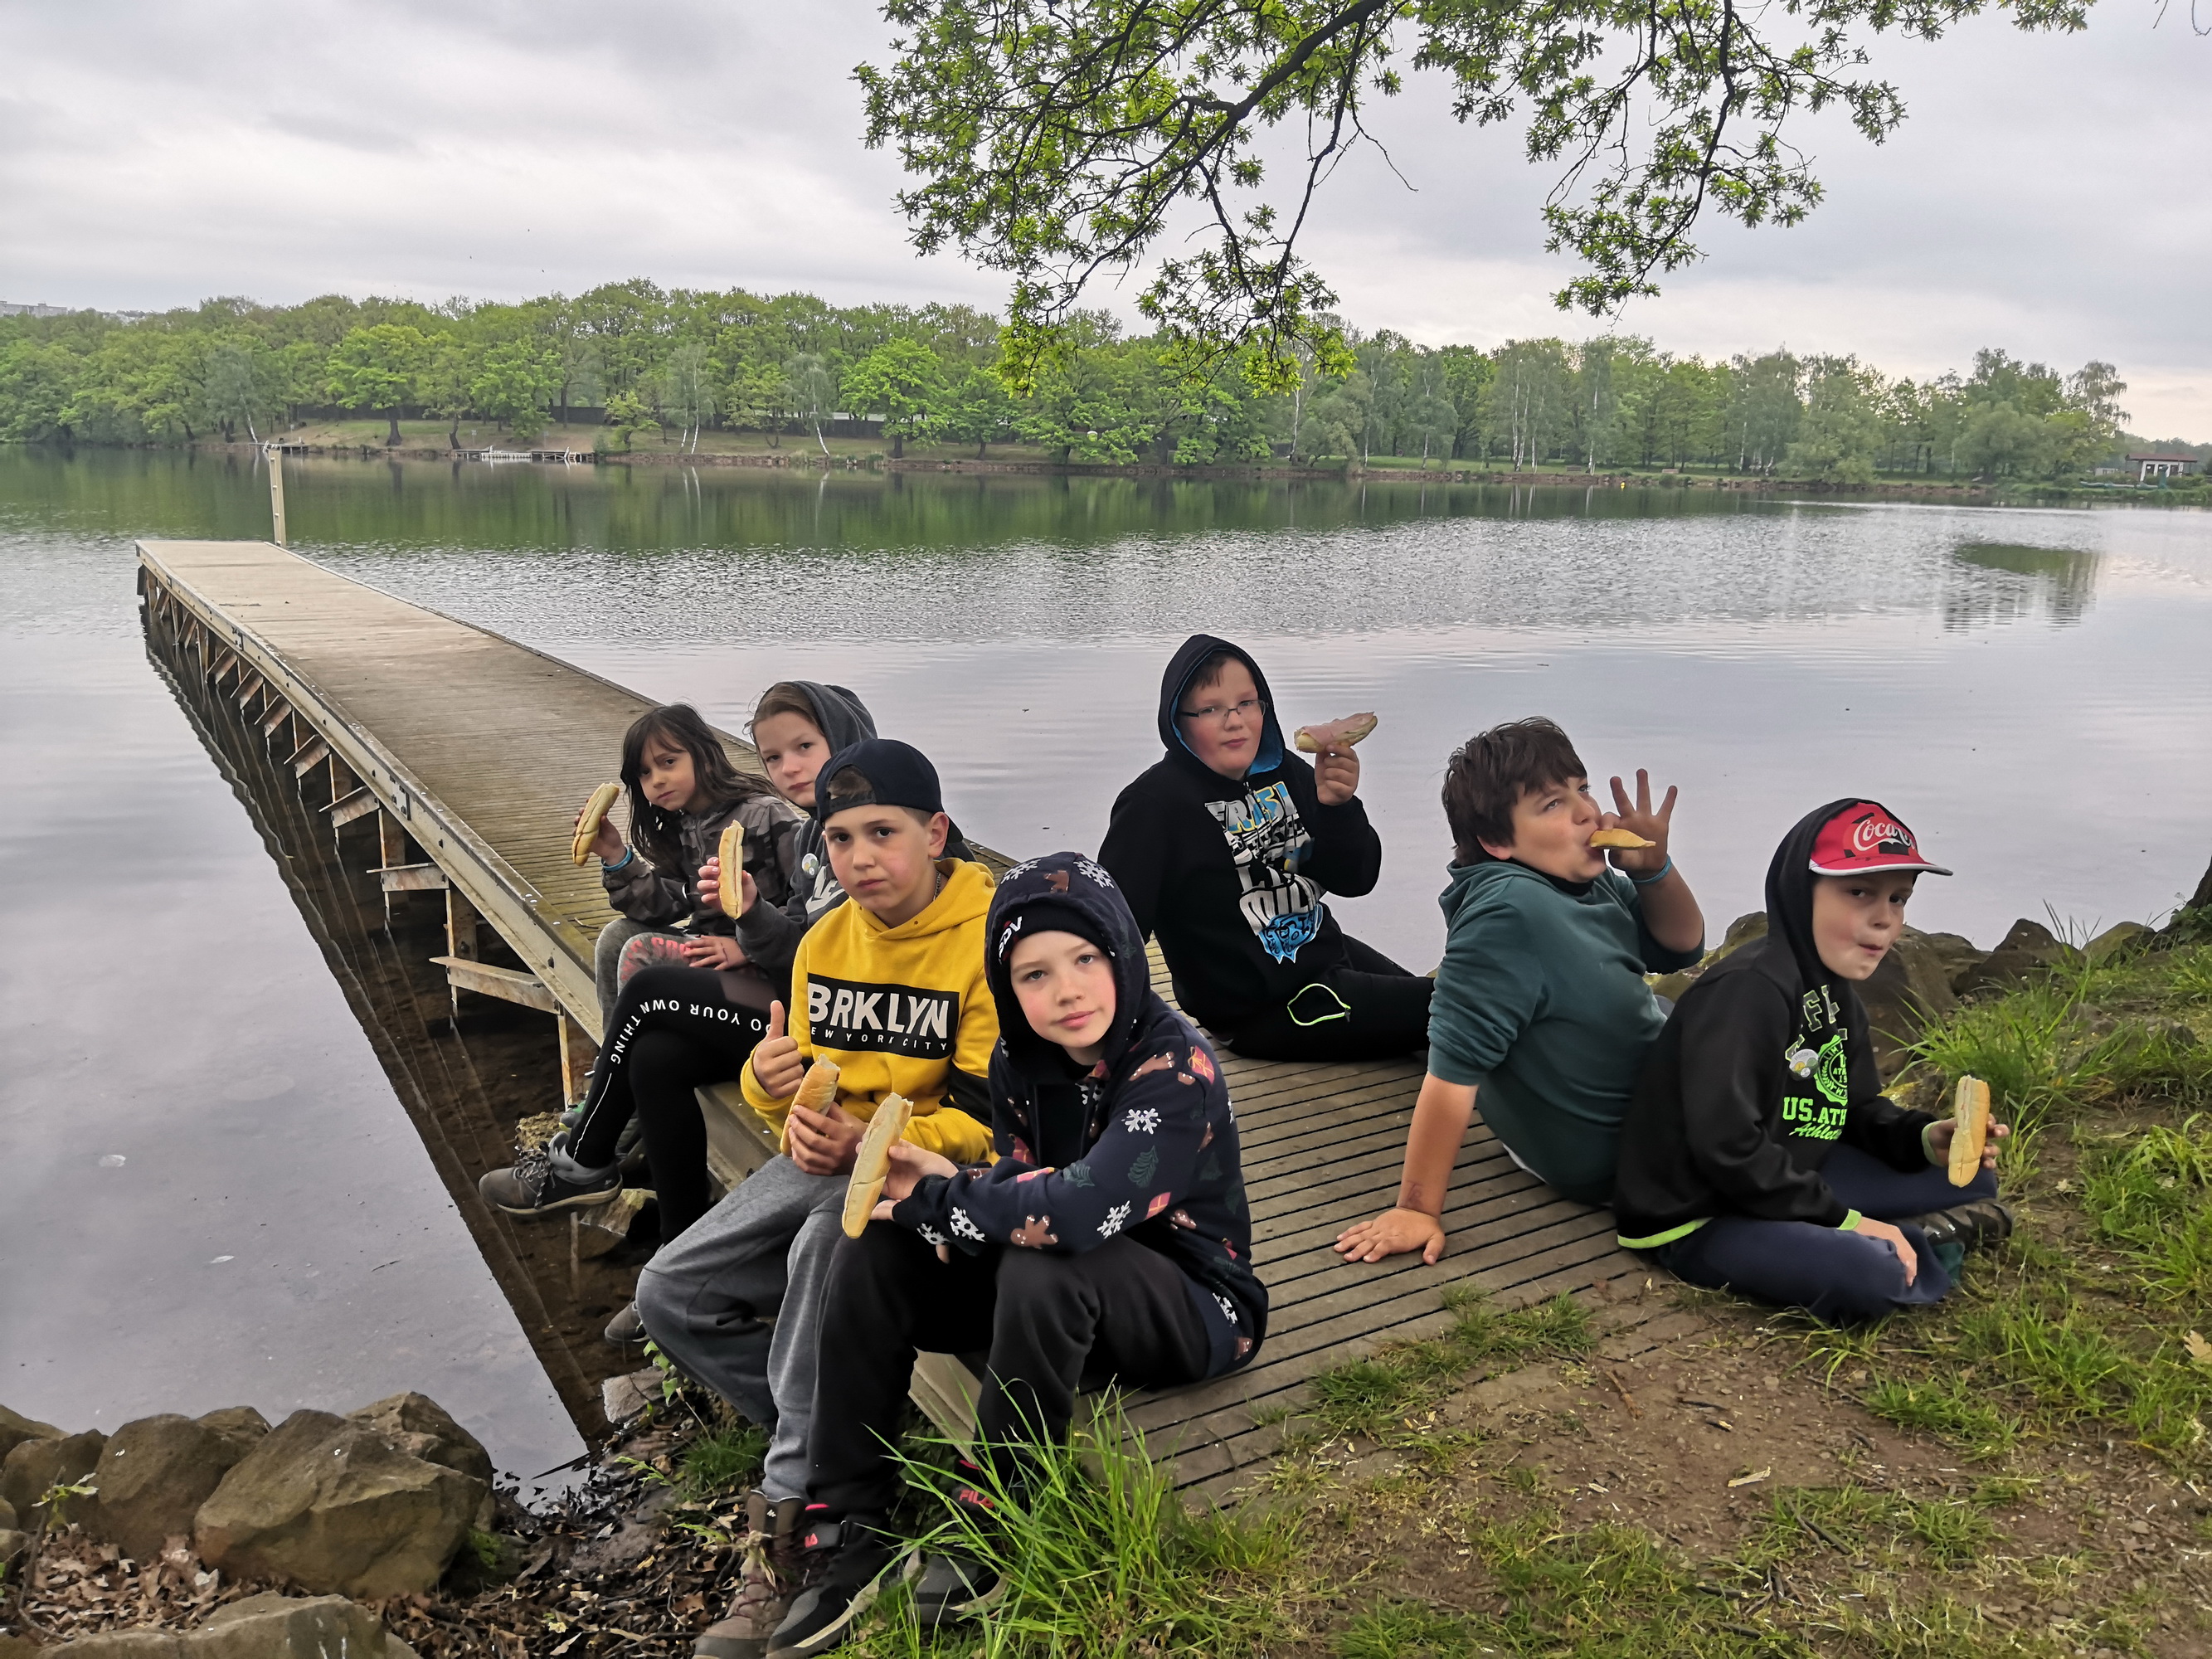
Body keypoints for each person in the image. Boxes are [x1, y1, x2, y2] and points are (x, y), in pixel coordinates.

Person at [757, 850, 1265, 1659]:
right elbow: (1022, 1179)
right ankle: (851, 1512)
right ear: (1007, 985)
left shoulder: (1176, 1068)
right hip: (1063, 1301)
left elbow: (1081, 1209)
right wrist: (946, 1196)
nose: (1065, 990)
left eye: (1086, 959)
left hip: (1192, 1305)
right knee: (878, 1241)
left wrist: (949, 1198)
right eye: (1033, 974)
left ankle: (998, 1502)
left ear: (1124, 953)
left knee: (1043, 1252)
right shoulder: (1017, 1061)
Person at [639, 738, 1000, 1659]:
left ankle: (802, 1510)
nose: (860, 858)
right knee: (669, 1292)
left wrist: (881, 1145)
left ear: (935, 833)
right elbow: (796, 1085)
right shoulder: (824, 941)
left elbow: (989, 1123)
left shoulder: (987, 940)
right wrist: (768, 1087)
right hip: (821, 1158)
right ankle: (844, 1427)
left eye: (883, 833)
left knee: (821, 1251)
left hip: (916, 1172)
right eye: (840, 839)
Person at [1611, 800, 2013, 1322]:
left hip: (1789, 1168)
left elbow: (1856, 1107)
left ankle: (1896, 1232)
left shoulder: (1834, 989)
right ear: (1801, 892)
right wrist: (1846, 1220)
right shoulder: (1747, 991)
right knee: (1871, 1276)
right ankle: (1909, 1242)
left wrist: (1922, 1138)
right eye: (1860, 892)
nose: (1885, 917)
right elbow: (1727, 1148)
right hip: (1703, 1210)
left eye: (1898, 898)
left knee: (1971, 1180)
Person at [1334, 718, 1706, 1264]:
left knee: (1674, 1005)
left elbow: (1681, 947)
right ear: (1496, 841)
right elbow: (1451, 1073)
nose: (1586, 812)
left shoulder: (1583, 880)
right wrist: (1416, 1209)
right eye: (1552, 804)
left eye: (1582, 789)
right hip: (1618, 1157)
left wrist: (1655, 871)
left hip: (1626, 1109)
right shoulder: (1509, 915)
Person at [1098, 634, 1428, 1061]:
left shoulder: (1287, 772)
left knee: (1460, 996)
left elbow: (1356, 880)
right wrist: (1125, 1044)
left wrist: (1338, 807)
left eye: (1246, 703)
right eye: (1211, 709)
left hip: (1325, 956)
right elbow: (1114, 933)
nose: (1234, 721)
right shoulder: (1153, 807)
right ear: (1178, 722)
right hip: (1264, 1009)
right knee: (1460, 1008)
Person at [581, 703, 803, 1034]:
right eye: (644, 773)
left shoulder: (764, 814)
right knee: (616, 938)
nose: (657, 780)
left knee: (642, 951)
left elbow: (807, 906)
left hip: (770, 986)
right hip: (711, 961)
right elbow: (662, 907)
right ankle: (616, 1047)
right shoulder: (681, 828)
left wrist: (746, 948)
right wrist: (615, 855)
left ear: (704, 754)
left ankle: (634, 1050)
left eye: (668, 762)